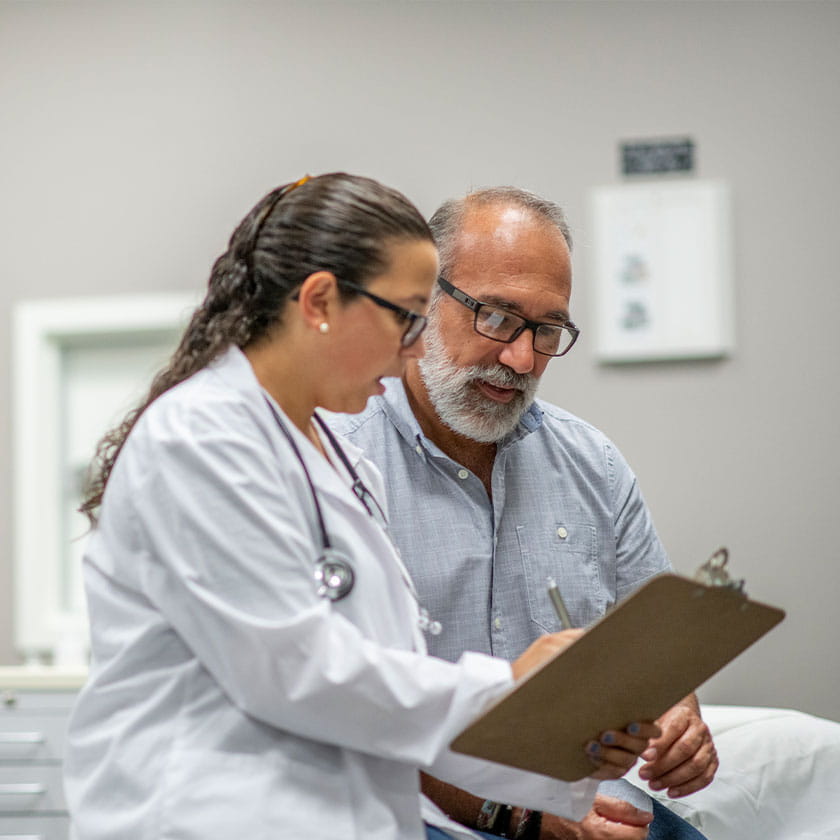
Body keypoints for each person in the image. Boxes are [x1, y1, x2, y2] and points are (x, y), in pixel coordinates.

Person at [63, 174, 661, 840]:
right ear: (319, 301)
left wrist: (558, 752)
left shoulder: (338, 460)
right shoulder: (198, 438)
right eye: (405, 315)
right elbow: (297, 672)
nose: (414, 346)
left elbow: (388, 701)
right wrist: (510, 690)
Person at [329, 186, 718, 840]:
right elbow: (342, 708)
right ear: (423, 299)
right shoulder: (336, 463)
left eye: (547, 330)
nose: (522, 358)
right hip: (414, 811)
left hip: (583, 797)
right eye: (497, 317)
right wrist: (515, 817)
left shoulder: (591, 465)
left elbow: (655, 647)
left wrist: (680, 713)